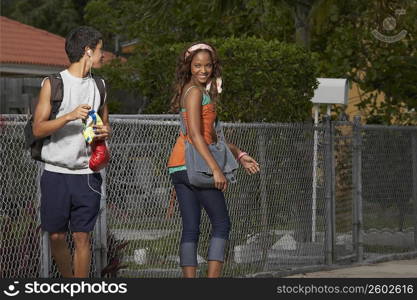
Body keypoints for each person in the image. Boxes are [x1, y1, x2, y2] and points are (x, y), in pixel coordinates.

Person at [167, 42, 260, 278]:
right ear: (189, 66)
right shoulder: (195, 92)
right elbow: (197, 136)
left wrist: (240, 154)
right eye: (197, 65)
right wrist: (216, 170)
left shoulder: (193, 91)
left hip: (180, 166)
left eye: (208, 65)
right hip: (196, 167)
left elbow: (211, 138)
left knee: (191, 229)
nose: (203, 70)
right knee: (221, 224)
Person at [32, 26, 110, 278]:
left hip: (87, 174)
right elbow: (38, 128)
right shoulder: (53, 83)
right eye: (100, 49)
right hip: (56, 173)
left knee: (82, 236)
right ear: (88, 51)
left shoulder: (100, 86)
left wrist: (103, 132)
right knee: (56, 235)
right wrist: (69, 116)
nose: (104, 54)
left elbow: (104, 124)